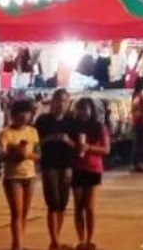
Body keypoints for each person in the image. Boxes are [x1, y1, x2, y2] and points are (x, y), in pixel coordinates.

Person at [36, 89, 77, 249]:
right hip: (49, 165)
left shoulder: (71, 121)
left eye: (65, 101)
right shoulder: (43, 121)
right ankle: (54, 240)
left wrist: (68, 141)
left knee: (62, 204)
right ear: (52, 102)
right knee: (53, 202)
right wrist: (49, 139)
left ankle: (56, 239)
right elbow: (35, 143)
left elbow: (78, 146)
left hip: (66, 166)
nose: (61, 104)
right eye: (59, 100)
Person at [0, 100, 39, 250]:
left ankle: (19, 243)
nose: (24, 116)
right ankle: (18, 246)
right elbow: (1, 156)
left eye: (27, 113)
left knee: (24, 214)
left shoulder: (33, 132)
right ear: (14, 114)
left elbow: (38, 154)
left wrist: (27, 155)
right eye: (21, 112)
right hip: (13, 177)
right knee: (17, 213)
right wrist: (14, 153)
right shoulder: (5, 133)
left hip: (30, 176)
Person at [72, 97, 110, 250]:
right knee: (78, 206)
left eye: (85, 109)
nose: (82, 112)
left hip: (93, 169)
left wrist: (89, 148)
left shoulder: (99, 127)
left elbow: (106, 150)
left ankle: (90, 239)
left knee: (89, 206)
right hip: (77, 168)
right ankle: (81, 240)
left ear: (91, 110)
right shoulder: (73, 127)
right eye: (80, 109)